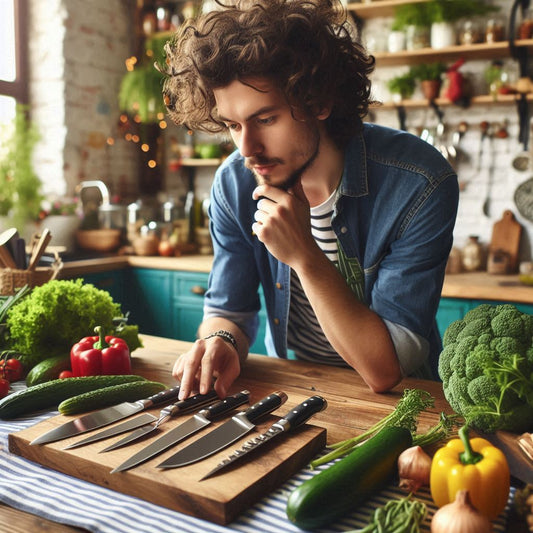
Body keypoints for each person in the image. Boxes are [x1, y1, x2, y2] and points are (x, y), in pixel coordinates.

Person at [161, 0, 459, 401]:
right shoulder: (233, 184)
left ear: (318, 101)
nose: (247, 148)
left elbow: (385, 369)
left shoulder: (418, 182)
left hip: (403, 403)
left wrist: (303, 254)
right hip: (296, 390)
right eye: (233, 125)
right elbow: (229, 311)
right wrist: (221, 341)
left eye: (266, 119)